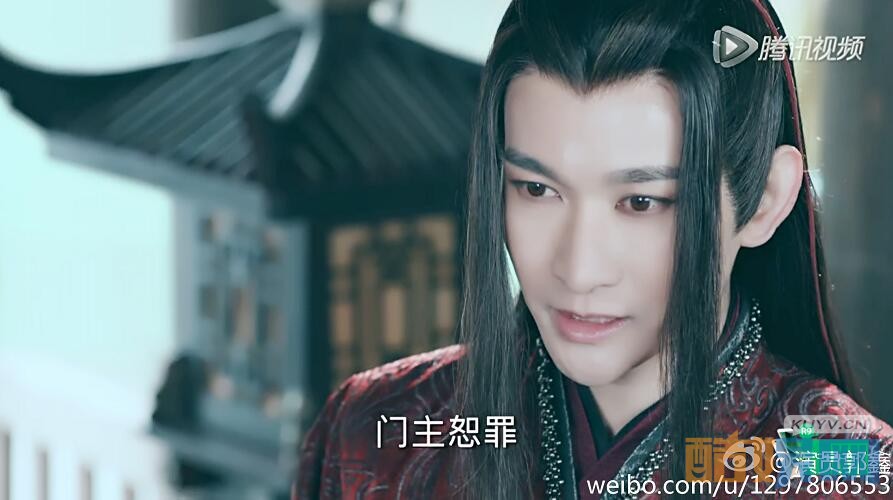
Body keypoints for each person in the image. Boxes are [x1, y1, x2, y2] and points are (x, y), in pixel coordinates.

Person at [293, 0, 893, 498]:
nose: (579, 271)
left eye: (642, 202)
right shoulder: (379, 430)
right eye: (536, 189)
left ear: (764, 200)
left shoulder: (849, 472)